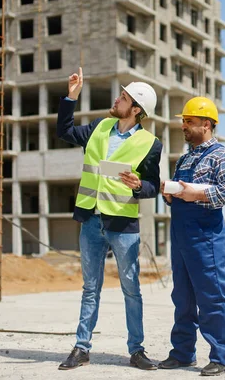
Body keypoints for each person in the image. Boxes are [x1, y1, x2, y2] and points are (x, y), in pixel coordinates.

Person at [56, 67, 162, 371]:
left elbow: (153, 185)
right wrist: (70, 97)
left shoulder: (150, 144)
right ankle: (82, 347)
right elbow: (64, 131)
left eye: (123, 97)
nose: (117, 99)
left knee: (131, 289)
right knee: (90, 287)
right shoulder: (100, 127)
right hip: (91, 220)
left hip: (123, 226)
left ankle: (137, 350)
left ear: (136, 109)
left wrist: (139, 185)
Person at [158, 97, 225, 376]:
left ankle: (222, 356)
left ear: (206, 124)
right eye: (183, 121)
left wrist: (200, 193)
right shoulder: (185, 157)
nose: (183, 126)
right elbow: (180, 197)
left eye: (189, 121)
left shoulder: (221, 155)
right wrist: (170, 195)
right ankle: (182, 353)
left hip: (206, 238)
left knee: (211, 298)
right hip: (181, 237)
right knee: (182, 296)